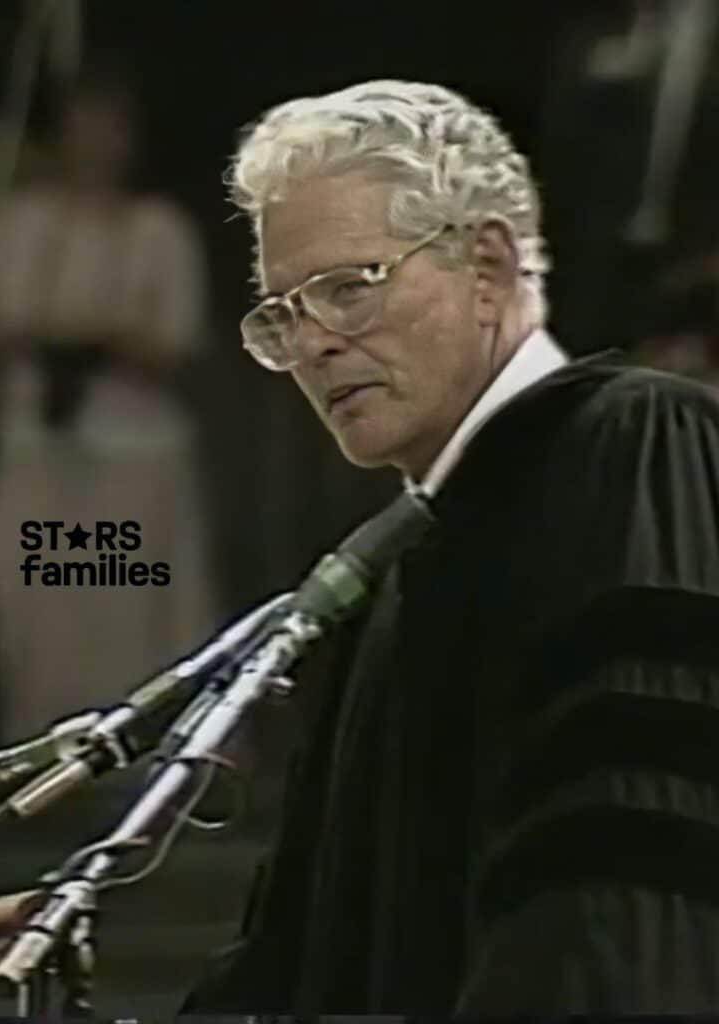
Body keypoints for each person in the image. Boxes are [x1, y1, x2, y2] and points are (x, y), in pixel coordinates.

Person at [182, 80, 719, 1014]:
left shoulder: (633, 445)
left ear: (490, 265)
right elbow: (303, 966)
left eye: (349, 288)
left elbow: (622, 886)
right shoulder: (379, 580)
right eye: (284, 315)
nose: (312, 345)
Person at [0, 70, 217, 738]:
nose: (95, 144)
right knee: (35, 603)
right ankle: (33, 742)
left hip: (132, 453)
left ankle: (134, 742)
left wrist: (103, 342)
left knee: (122, 604)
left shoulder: (160, 233)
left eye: (110, 129)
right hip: (39, 449)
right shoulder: (20, 226)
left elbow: (181, 351)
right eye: (82, 128)